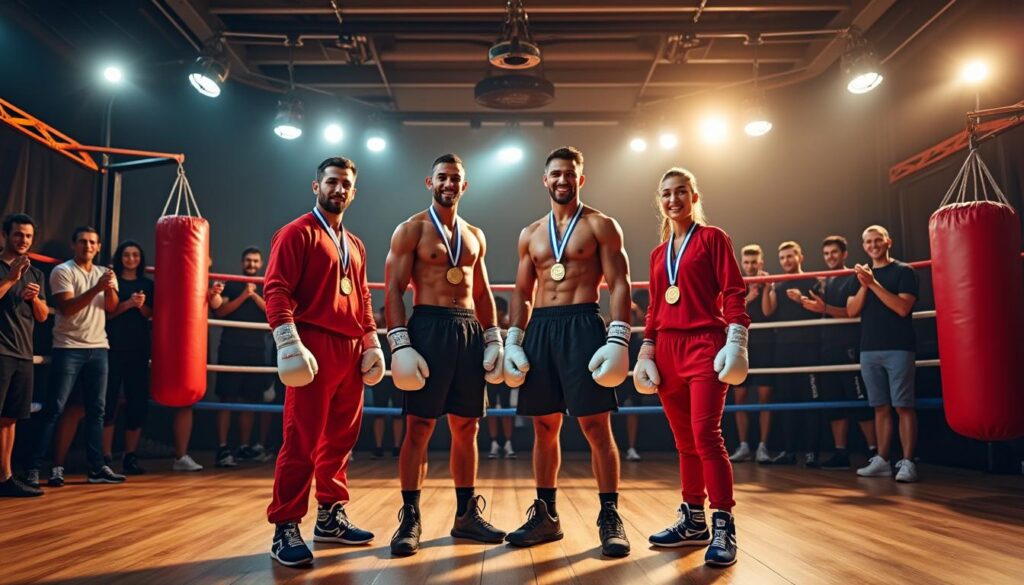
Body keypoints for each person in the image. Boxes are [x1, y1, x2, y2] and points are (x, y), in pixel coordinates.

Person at [503, 146, 632, 557]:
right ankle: (546, 515)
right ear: (545, 180)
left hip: (583, 325)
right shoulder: (531, 234)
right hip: (541, 328)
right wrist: (513, 339)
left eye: (570, 174)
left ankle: (610, 517)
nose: (563, 180)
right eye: (555, 174)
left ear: (581, 178)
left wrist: (618, 337)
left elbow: (621, 282)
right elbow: (523, 292)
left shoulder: (600, 225)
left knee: (596, 427)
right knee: (544, 428)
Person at [264, 156, 385, 567]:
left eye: (346, 184)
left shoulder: (355, 243)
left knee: (341, 440)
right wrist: (287, 339)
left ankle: (330, 517)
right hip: (312, 345)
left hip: (350, 350)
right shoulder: (297, 232)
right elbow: (276, 288)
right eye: (331, 182)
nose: (339, 189)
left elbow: (363, 296)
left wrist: (372, 341)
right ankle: (285, 526)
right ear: (316, 187)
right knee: (302, 439)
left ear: (354, 191)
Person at [384, 153, 506, 557]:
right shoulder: (411, 229)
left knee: (467, 427)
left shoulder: (474, 234)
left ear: (464, 185)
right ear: (429, 182)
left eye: (455, 178)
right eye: (442, 177)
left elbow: (484, 291)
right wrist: (399, 341)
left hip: (468, 328)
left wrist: (494, 337)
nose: (449, 183)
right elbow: (393, 288)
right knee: (418, 427)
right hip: (428, 326)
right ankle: (410, 517)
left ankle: (465, 515)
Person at [634, 167, 749, 566]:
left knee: (706, 435)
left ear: (694, 196)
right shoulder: (656, 254)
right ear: (659, 201)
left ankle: (723, 521)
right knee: (684, 441)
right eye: (666, 194)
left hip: (704, 344)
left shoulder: (714, 238)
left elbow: (734, 290)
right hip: (666, 348)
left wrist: (737, 338)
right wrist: (646, 348)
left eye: (680, 192)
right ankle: (693, 520)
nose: (673, 200)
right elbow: (653, 307)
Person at [27, 226, 123, 487]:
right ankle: (36, 468)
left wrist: (110, 287)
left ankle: (97, 468)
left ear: (99, 247)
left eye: (92, 242)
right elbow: (67, 308)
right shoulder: (63, 271)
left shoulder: (105, 273)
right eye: (83, 241)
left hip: (99, 347)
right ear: (74, 245)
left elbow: (112, 309)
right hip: (68, 347)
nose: (87, 246)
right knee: (54, 409)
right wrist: (97, 288)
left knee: (97, 411)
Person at [847, 225, 920, 483]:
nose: (873, 245)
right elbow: (851, 311)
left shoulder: (904, 271)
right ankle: (882, 459)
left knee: (903, 406)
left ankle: (909, 462)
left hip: (899, 347)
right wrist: (865, 285)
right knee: (879, 407)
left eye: (878, 240)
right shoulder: (861, 276)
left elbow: (902, 308)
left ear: (888, 242)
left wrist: (873, 283)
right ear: (863, 245)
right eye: (868, 241)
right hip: (869, 349)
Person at [796, 236, 876, 469]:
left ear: (844, 254)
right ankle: (841, 453)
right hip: (827, 347)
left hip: (848, 346)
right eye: (826, 253)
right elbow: (820, 309)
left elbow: (851, 312)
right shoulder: (825, 281)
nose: (830, 257)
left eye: (834, 253)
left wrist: (825, 308)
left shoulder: (851, 277)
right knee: (833, 403)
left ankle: (875, 451)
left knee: (858, 400)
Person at [0, 214, 47, 497]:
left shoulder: (36, 273)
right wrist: (10, 278)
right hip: (1, 350)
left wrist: (35, 299)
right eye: (18, 234)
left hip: (22, 352)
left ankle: (5, 477)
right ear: (5, 235)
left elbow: (42, 317)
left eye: (28, 236)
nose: (23, 240)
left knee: (10, 418)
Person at [214, 247, 274, 467]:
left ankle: (244, 446)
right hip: (231, 347)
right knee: (227, 398)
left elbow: (272, 315)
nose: (251, 264)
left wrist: (254, 295)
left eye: (255, 261)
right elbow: (220, 312)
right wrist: (243, 295)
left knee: (250, 399)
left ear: (261, 263)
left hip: (256, 349)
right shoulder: (232, 283)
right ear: (242, 262)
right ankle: (222, 448)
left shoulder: (268, 286)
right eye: (248, 260)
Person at [764, 241, 822, 467]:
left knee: (811, 401)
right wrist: (769, 287)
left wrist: (801, 299)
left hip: (808, 348)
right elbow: (769, 312)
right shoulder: (778, 284)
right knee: (786, 401)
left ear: (800, 257)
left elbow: (821, 309)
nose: (786, 261)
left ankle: (812, 452)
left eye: (790, 256)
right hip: (784, 349)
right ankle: (789, 451)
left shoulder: (813, 280)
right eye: (783, 257)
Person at [102, 240, 153, 476]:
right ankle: (104, 455)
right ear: (119, 257)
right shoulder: (112, 282)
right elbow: (109, 314)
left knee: (137, 402)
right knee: (109, 400)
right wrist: (129, 304)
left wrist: (140, 306)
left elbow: (149, 315)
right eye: (126, 255)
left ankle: (130, 456)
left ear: (140, 258)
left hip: (139, 349)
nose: (131, 259)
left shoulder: (147, 284)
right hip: (112, 347)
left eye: (135, 254)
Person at [728, 244, 775, 464]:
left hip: (765, 344)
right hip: (741, 344)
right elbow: (728, 314)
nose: (750, 266)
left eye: (754, 262)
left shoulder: (767, 281)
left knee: (765, 397)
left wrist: (764, 289)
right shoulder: (736, 283)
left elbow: (767, 311)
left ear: (761, 263)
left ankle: (763, 446)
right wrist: (749, 297)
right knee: (740, 397)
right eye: (746, 262)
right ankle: (744, 445)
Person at [369, 306, 403, 459]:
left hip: (397, 372)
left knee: (398, 413)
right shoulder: (376, 328)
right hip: (382, 374)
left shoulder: (401, 329)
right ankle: (378, 447)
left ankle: (397, 448)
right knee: (379, 413)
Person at [616, 299, 647, 462]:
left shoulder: (638, 339)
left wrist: (634, 308)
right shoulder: (612, 332)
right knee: (606, 407)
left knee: (632, 407)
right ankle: (611, 448)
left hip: (632, 378)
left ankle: (631, 448)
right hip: (616, 377)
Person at [484, 296, 515, 460]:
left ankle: (508, 443)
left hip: (505, 374)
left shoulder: (509, 326)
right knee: (490, 409)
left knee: (505, 407)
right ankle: (494, 443)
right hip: (490, 373)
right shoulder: (487, 327)